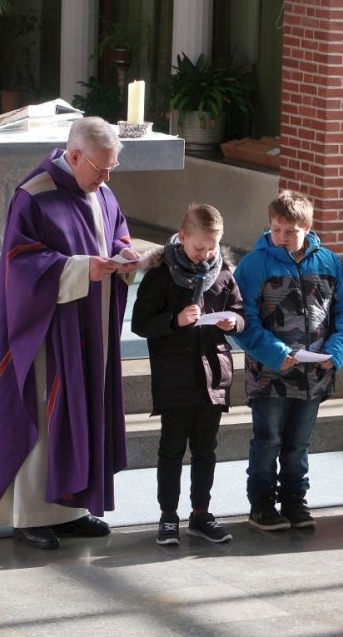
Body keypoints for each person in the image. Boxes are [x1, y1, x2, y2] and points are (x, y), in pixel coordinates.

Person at [0, 117, 139, 550]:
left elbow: (115, 233)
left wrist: (124, 255)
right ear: (75, 155)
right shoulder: (35, 195)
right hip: (44, 331)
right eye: (101, 167)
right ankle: (29, 515)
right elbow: (19, 265)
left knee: (80, 414)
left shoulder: (100, 191)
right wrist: (80, 268)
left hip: (88, 327)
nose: (107, 177)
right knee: (46, 414)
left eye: (112, 168)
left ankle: (70, 511)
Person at [234, 190, 343, 531]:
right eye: (276, 229)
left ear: (308, 227)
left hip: (313, 375)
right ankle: (261, 504)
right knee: (269, 439)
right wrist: (276, 353)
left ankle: (294, 500)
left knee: (299, 443)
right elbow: (243, 319)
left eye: (290, 231)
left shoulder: (331, 264)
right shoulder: (254, 264)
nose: (282, 238)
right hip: (269, 373)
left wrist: (337, 351)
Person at [131, 203, 245, 546]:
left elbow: (241, 312)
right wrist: (175, 320)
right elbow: (140, 323)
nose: (205, 255)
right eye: (199, 248)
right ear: (182, 238)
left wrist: (233, 321)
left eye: (212, 248)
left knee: (206, 449)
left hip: (213, 377)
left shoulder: (223, 274)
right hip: (175, 376)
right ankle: (168, 516)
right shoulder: (161, 275)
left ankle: (200, 513)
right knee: (171, 449)